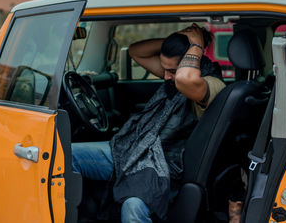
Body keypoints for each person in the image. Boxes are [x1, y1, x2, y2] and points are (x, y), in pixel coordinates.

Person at [72, 23, 226, 223]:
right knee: (66, 154)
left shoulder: (211, 84)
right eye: (164, 69)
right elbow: (137, 51)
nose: (166, 76)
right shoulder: (174, 75)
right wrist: (179, 41)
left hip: (163, 164)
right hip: (132, 149)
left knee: (133, 206)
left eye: (171, 70)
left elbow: (184, 79)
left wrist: (196, 45)